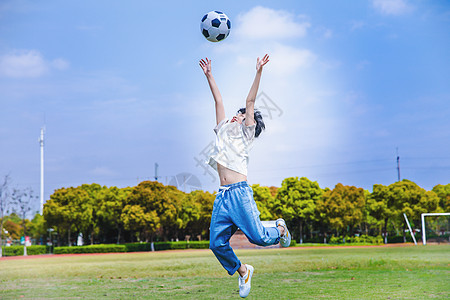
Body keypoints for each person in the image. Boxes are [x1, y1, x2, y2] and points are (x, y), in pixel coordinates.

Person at [199, 54, 292, 298]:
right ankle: (243, 271)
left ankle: (280, 230)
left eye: (241, 115)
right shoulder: (223, 131)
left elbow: (250, 101)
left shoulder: (245, 135)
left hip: (239, 193)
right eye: (238, 113)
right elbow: (218, 100)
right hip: (222, 196)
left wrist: (258, 71)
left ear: (246, 122)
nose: (236, 115)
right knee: (216, 244)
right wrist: (209, 75)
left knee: (260, 238)